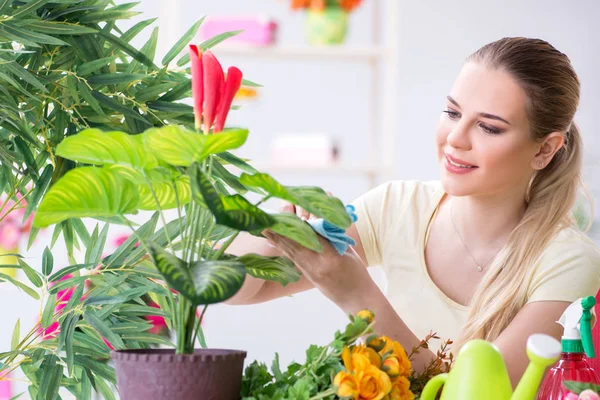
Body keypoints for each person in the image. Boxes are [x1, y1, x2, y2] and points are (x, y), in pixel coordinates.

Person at [226, 37, 600, 385]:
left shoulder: (569, 262)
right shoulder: (396, 207)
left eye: (488, 127)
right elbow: (243, 291)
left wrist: (358, 298)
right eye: (452, 113)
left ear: (544, 149)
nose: (455, 138)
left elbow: (477, 393)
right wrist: (270, 228)